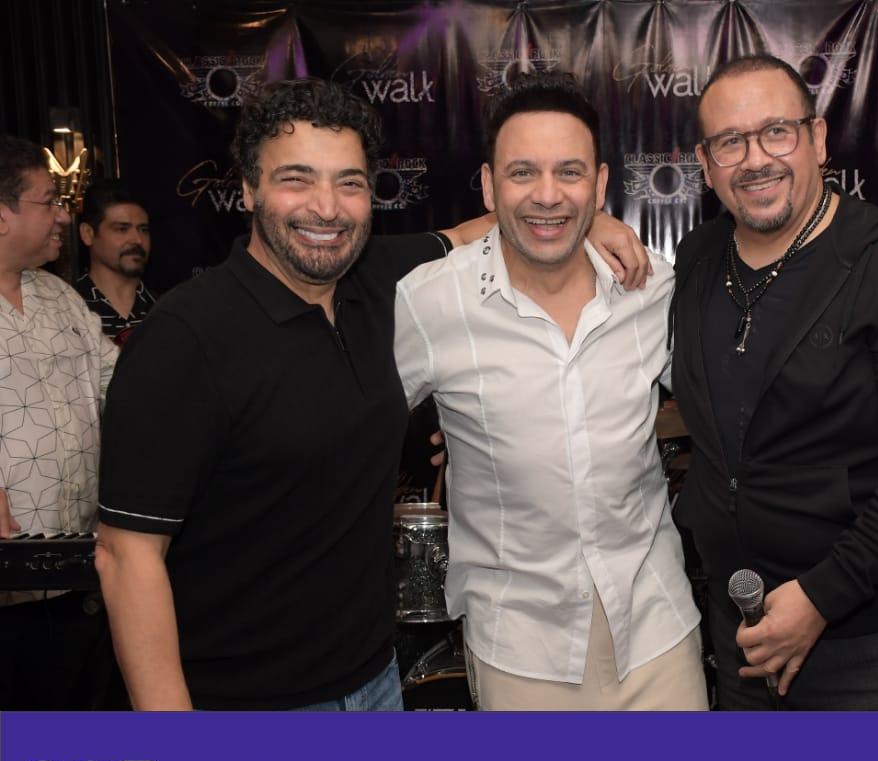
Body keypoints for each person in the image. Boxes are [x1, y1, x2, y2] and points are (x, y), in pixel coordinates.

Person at [93, 78, 649, 711]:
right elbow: (125, 556)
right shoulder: (184, 337)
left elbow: (482, 230)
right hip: (243, 702)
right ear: (248, 189)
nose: (326, 208)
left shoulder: (377, 280)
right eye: (296, 179)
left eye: (349, 183)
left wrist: (592, 220)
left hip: (375, 681)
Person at [668, 55, 878, 710]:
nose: (756, 159)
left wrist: (822, 595)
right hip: (745, 632)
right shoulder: (697, 261)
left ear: (817, 138)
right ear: (705, 163)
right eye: (730, 142)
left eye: (776, 132)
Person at [394, 72, 706, 711]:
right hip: (518, 647)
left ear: (600, 184)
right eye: (522, 172)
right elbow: (348, 427)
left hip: (658, 631)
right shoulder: (430, 301)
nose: (546, 194)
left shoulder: (651, 289)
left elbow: (728, 408)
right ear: (489, 186)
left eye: (569, 172)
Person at [0, 135, 118, 709]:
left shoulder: (60, 297)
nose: (64, 217)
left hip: (77, 577)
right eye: (49, 202)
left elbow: (119, 383)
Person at [74, 180, 155, 345]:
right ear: (87, 234)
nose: (137, 240)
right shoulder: (67, 308)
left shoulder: (167, 308)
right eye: (122, 229)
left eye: (143, 230)